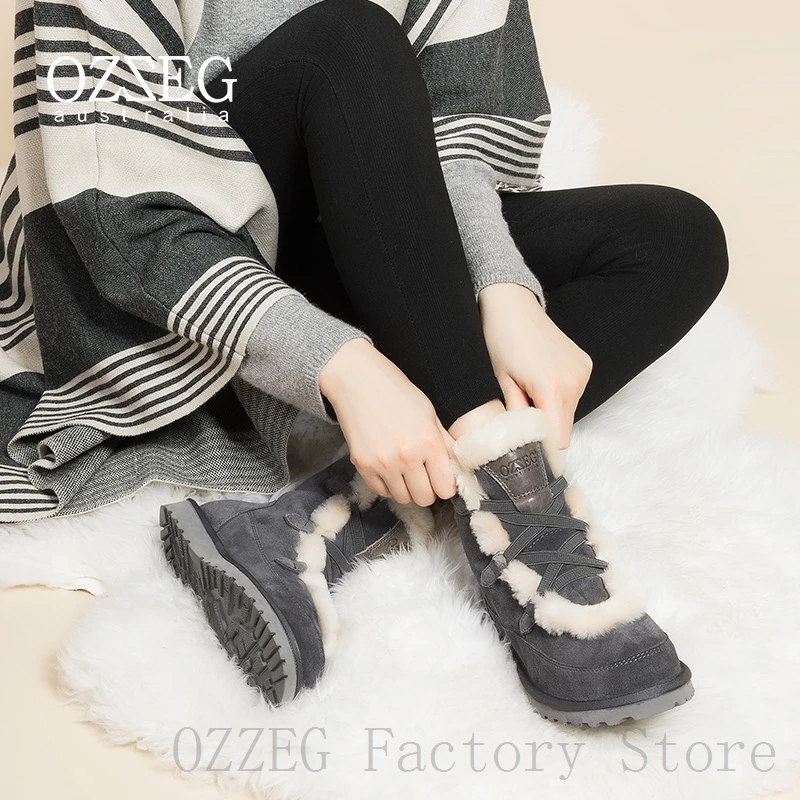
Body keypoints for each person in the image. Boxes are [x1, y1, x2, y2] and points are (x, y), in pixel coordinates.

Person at [4, 0, 727, 726]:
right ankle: (529, 528)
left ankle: (307, 521)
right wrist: (342, 364)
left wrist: (504, 288)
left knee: (673, 237)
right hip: (161, 283)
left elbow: (455, 140)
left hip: (361, 227)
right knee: (344, 41)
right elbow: (113, 217)